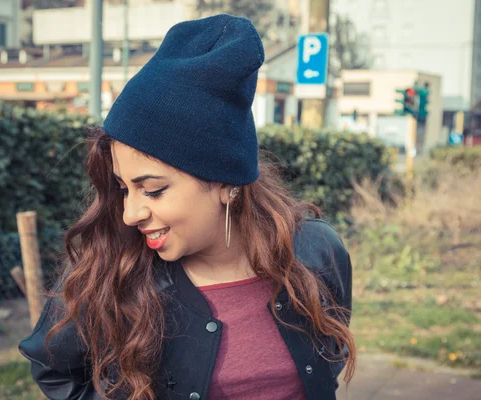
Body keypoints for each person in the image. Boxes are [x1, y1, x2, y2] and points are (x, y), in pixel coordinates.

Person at [19, 14, 356, 400]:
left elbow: (330, 354)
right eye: (123, 188)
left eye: (153, 190)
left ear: (226, 183)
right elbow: (52, 368)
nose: (130, 214)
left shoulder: (317, 252)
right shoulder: (111, 264)